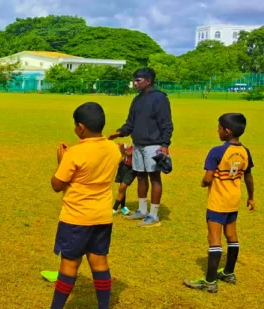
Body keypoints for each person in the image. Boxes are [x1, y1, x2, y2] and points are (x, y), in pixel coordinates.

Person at [28, 103, 119, 309]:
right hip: (102, 216)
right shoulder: (113, 148)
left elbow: (56, 185)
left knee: (69, 265)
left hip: (76, 217)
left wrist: (62, 161)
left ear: (80, 128)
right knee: (100, 263)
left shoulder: (75, 153)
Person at [184, 113, 255, 293]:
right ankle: (229, 273)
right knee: (231, 235)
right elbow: (248, 176)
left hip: (218, 201)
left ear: (227, 131)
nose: (217, 131)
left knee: (214, 238)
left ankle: (209, 281)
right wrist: (251, 197)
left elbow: (208, 177)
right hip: (233, 200)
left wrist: (203, 183)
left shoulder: (217, 151)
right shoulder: (245, 151)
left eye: (219, 128)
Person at [109, 67, 173, 228]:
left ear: (148, 81)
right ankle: (143, 210)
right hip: (138, 144)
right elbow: (130, 123)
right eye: (134, 80)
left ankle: (154, 214)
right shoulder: (136, 100)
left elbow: (167, 124)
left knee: (154, 178)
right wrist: (120, 132)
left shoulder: (160, 98)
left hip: (154, 145)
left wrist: (165, 145)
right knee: (141, 177)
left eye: (138, 80)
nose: (135, 83)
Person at [113, 142, 134, 216]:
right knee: (122, 187)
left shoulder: (140, 142)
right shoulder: (133, 142)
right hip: (124, 165)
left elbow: (128, 153)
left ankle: (114, 208)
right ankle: (123, 207)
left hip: (133, 168)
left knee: (123, 186)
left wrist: (122, 147)